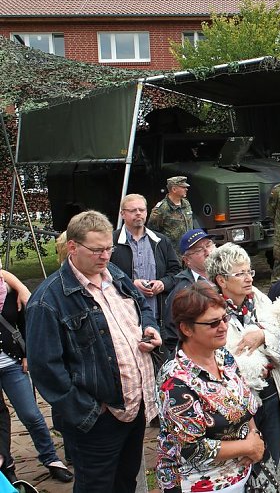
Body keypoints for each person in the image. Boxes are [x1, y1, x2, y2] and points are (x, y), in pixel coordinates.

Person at [27, 210, 162, 493]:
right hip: (98, 420)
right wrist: (89, 411)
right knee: (96, 487)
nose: (105, 256)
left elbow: (143, 306)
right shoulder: (48, 300)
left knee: (125, 483)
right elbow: (45, 368)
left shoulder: (113, 274)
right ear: (73, 247)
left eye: (109, 248)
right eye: (97, 250)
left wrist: (150, 329)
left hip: (135, 408)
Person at [155, 283, 265, 493]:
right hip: (201, 485)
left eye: (225, 318)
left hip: (241, 474)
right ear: (186, 328)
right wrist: (249, 447)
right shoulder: (175, 380)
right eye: (213, 323)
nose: (223, 326)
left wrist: (255, 435)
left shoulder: (224, 357)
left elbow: (246, 405)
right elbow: (191, 448)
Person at [207, 243, 280, 466]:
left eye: (249, 271)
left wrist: (263, 335)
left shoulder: (257, 298)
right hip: (239, 400)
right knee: (244, 463)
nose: (248, 278)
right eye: (240, 273)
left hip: (271, 392)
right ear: (221, 280)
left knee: (271, 460)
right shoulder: (210, 308)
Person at [0, 262, 73, 483]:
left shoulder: (10, 290)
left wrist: (26, 354)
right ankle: (7, 465)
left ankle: (50, 458)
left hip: (12, 364)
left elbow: (24, 324)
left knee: (31, 414)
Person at [111, 194, 181, 329]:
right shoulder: (112, 242)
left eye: (141, 210)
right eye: (132, 210)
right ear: (122, 214)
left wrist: (163, 283)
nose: (138, 214)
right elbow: (104, 276)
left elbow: (176, 272)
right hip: (125, 318)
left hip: (158, 317)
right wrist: (131, 285)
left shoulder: (160, 241)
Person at [161, 228, 216, 357]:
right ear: (186, 260)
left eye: (208, 245)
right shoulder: (182, 290)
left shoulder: (228, 276)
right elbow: (172, 335)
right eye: (198, 250)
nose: (207, 252)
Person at [148, 176, 194, 254]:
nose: (186, 189)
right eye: (183, 187)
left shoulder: (186, 203)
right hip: (172, 253)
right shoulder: (162, 208)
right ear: (174, 189)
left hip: (188, 251)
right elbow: (153, 231)